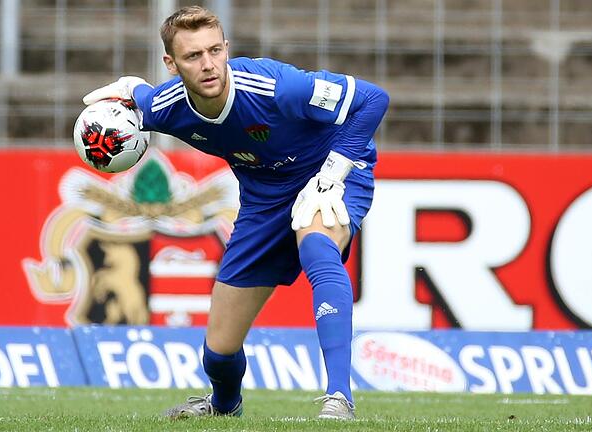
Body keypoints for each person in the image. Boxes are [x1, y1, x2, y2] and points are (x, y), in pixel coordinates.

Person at [82, 5, 389, 420]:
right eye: (193, 56)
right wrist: (126, 95)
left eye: (214, 51)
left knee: (317, 245)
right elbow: (138, 97)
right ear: (171, 64)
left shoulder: (278, 87)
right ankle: (224, 407)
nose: (208, 65)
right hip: (264, 199)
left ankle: (339, 398)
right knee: (219, 350)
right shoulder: (164, 107)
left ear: (226, 48)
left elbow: (373, 99)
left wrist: (333, 174)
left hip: (329, 170)